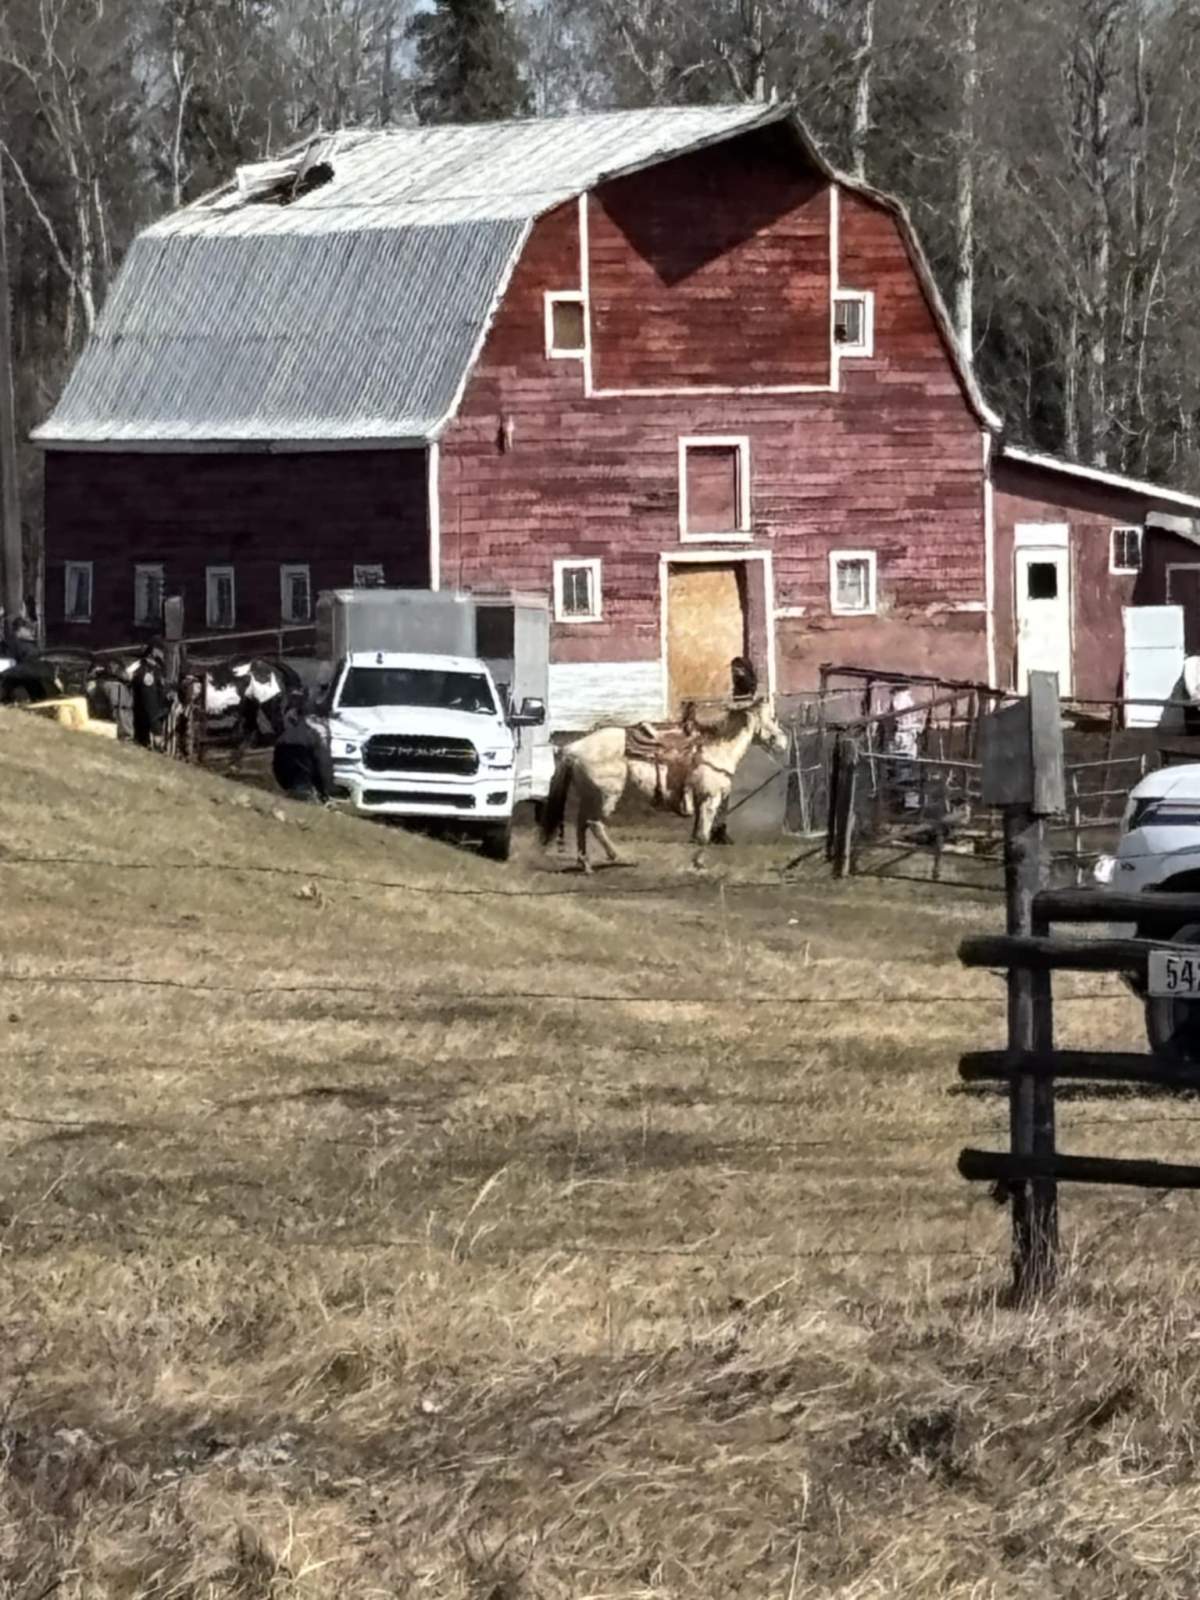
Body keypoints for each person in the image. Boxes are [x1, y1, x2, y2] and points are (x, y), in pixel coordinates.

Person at [272, 695, 334, 803]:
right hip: (304, 786)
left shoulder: (283, 737)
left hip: (287, 784)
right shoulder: (313, 736)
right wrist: (325, 792)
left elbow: (276, 766)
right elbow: (322, 765)